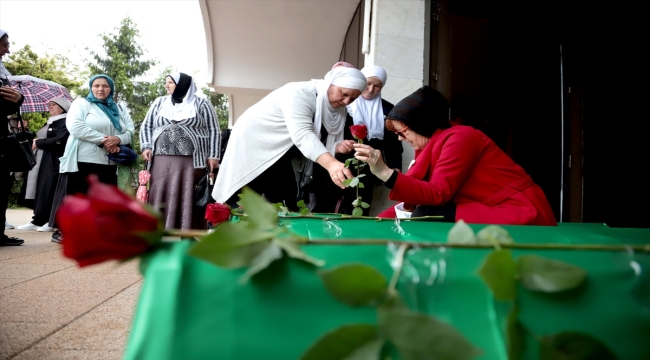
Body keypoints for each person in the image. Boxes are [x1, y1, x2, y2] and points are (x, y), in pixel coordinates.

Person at [353, 86, 557, 226]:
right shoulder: (430, 145)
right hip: (489, 206)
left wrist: (385, 172)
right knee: (423, 214)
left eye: (402, 132)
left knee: (425, 216)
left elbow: (437, 194)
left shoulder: (461, 136)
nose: (400, 139)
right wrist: (374, 225)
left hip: (518, 210)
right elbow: (413, 202)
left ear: (420, 124)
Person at [212, 66, 368, 209]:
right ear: (330, 83)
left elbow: (316, 138)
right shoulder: (300, 93)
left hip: (283, 153)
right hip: (254, 146)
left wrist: (335, 148)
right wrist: (332, 163)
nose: (346, 101)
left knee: (283, 204)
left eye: (353, 99)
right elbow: (303, 134)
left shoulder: (336, 109)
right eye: (344, 93)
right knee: (240, 200)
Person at [49, 74, 135, 243]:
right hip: (83, 159)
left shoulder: (119, 108)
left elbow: (129, 131)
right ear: (91, 87)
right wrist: (105, 140)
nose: (100, 89)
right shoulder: (82, 103)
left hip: (109, 160)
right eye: (96, 86)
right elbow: (75, 126)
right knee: (79, 196)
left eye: (105, 86)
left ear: (111, 89)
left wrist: (117, 140)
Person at [309, 65, 402, 214]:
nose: (371, 89)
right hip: (337, 161)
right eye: (367, 83)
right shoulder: (345, 104)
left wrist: (394, 166)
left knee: (358, 205)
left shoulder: (388, 110)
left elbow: (393, 143)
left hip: (367, 168)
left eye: (377, 86)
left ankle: (353, 237)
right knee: (327, 204)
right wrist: (339, 145)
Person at [140, 72, 221, 230]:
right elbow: (147, 125)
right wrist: (146, 146)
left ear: (182, 85)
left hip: (191, 160)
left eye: (170, 82)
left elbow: (214, 130)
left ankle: (187, 232)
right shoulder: (160, 102)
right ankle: (158, 230)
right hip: (161, 160)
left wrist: (213, 156)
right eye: (167, 82)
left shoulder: (202, 104)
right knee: (161, 190)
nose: (166, 85)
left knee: (187, 193)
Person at [16, 97, 71, 232]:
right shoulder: (51, 121)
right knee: (39, 188)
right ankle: (38, 219)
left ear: (63, 107)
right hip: (41, 159)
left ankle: (50, 220)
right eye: (49, 105)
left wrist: (39, 142)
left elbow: (61, 140)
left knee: (49, 188)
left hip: (53, 159)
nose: (50, 107)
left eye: (53, 105)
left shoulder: (65, 121)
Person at [1, 28, 25, 246]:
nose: (7, 50)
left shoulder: (3, 72)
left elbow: (9, 103)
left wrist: (18, 99)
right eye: (4, 44)